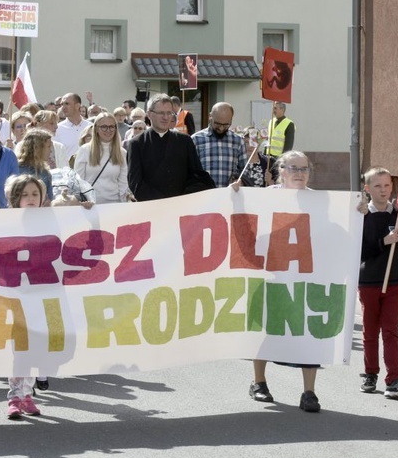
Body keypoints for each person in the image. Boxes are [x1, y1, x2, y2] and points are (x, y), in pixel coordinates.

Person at [235, 150, 322, 412]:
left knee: (308, 333)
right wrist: (236, 195)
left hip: (304, 276)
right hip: (270, 272)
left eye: (304, 169)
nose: (299, 173)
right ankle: (259, 382)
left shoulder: (319, 201)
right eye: (294, 168)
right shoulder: (264, 197)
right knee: (265, 328)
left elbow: (337, 231)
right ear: (281, 171)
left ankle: (309, 392)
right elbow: (244, 223)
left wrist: (357, 211)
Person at [357, 167, 398, 399]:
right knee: (370, 331)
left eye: (387, 186)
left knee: (391, 330)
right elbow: (360, 251)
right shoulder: (362, 215)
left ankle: (394, 379)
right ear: (367, 189)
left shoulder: (397, 214)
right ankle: (370, 373)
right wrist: (384, 241)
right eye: (378, 186)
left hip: (394, 282)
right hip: (369, 281)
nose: (383, 190)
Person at [3, 174, 47, 419]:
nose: (30, 199)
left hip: (42, 294)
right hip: (16, 294)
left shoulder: (52, 221)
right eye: (24, 195)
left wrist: (84, 210)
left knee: (36, 345)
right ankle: (14, 397)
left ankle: (28, 393)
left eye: (35, 194)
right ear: (14, 198)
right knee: (19, 347)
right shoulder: (6, 222)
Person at [127, 93, 214, 201]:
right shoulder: (136, 144)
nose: (166, 117)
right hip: (151, 207)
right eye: (161, 113)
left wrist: (182, 197)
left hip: (181, 206)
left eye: (169, 113)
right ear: (149, 115)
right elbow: (135, 183)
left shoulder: (185, 141)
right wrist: (164, 202)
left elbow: (198, 176)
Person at [74, 112, 132, 204]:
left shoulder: (122, 153)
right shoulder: (84, 150)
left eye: (111, 127)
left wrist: (124, 203)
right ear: (96, 129)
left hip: (114, 205)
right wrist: (84, 200)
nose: (108, 130)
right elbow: (78, 181)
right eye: (104, 127)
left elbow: (123, 183)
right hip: (90, 205)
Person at [191, 102, 245, 188]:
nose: (221, 128)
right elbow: (190, 171)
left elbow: (244, 170)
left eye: (226, 125)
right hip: (203, 195)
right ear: (210, 116)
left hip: (229, 196)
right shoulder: (196, 139)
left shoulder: (238, 141)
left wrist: (239, 180)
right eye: (218, 124)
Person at [17, 128, 54, 203]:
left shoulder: (45, 173)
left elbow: (50, 200)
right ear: (38, 148)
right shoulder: (16, 169)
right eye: (48, 146)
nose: (50, 150)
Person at [54, 93, 91, 159]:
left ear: (77, 106)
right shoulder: (57, 129)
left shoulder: (91, 127)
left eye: (67, 104)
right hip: (68, 169)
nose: (63, 107)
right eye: (62, 104)